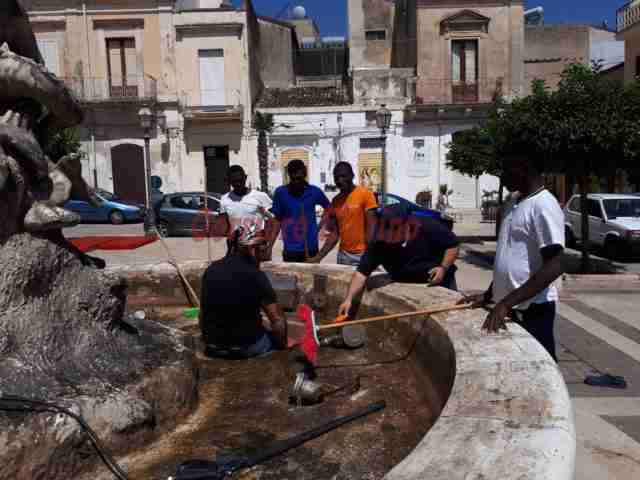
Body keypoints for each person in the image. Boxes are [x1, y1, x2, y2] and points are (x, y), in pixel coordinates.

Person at [462, 141, 565, 362]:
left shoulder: (544, 205)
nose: (502, 177)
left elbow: (555, 264)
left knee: (542, 368)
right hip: (509, 305)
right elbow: (508, 256)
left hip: (533, 310)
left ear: (523, 168)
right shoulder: (513, 203)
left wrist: (507, 302)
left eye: (506, 170)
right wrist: (490, 294)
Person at [338, 206, 460, 317]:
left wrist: (443, 268)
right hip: (408, 288)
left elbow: (453, 246)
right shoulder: (379, 242)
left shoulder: (427, 226)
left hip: (439, 282)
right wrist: (348, 299)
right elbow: (361, 274)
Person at [199, 223, 287, 359]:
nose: (265, 253)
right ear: (252, 249)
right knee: (274, 337)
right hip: (245, 347)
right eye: (262, 247)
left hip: (213, 346)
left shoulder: (211, 270)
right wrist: (282, 346)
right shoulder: (255, 275)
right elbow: (277, 320)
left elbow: (202, 314)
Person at [310, 162, 378, 266]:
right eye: (336, 177)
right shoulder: (336, 201)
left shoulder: (366, 195)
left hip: (363, 255)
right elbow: (335, 233)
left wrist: (369, 257)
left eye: (343, 176)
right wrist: (318, 257)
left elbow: (371, 229)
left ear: (352, 175)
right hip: (343, 256)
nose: (339, 180)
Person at [269, 159, 330, 262]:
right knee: (292, 278)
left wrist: (319, 226)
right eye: (293, 178)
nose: (296, 181)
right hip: (290, 249)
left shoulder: (314, 191)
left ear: (305, 174)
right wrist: (270, 246)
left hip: (310, 248)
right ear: (289, 176)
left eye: (299, 178)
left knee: (310, 278)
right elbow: (277, 220)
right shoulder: (280, 193)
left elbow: (329, 209)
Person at [220, 165, 273, 241]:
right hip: (236, 246)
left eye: (240, 180)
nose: (238, 184)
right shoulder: (224, 199)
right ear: (229, 181)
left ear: (245, 178)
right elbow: (224, 224)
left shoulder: (260, 196)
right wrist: (229, 235)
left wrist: (265, 235)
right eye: (234, 181)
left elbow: (272, 220)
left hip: (257, 245)